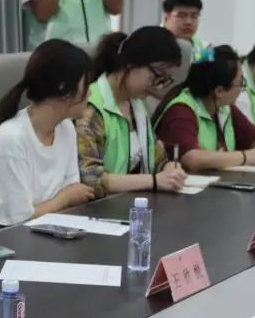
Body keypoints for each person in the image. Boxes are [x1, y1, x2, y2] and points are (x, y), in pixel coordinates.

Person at [0, 39, 95, 237]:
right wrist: (63, 199)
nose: (90, 92)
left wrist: (63, 200)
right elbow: (17, 221)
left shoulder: (66, 129)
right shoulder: (10, 140)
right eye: (86, 84)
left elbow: (73, 196)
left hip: (45, 234)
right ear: (64, 90)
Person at [76, 27, 188, 197]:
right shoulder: (90, 108)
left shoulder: (137, 105)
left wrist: (168, 168)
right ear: (131, 63)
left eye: (164, 80)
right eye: (157, 76)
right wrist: (154, 181)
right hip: (99, 207)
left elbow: (157, 158)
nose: (158, 86)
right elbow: (90, 179)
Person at [154, 45, 255, 172]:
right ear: (219, 91)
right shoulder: (181, 111)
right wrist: (246, 156)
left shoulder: (225, 107)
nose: (242, 88)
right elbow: (192, 159)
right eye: (240, 83)